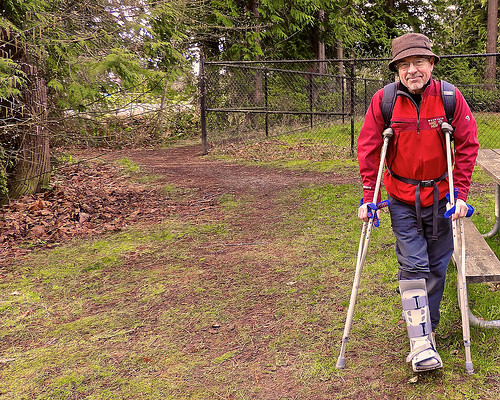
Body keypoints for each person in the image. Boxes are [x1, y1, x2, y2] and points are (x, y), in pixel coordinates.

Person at [357, 33, 479, 372]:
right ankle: (420, 341)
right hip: (401, 198)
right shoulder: (384, 101)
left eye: (419, 62)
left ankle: (428, 329)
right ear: (397, 69)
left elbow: (467, 145)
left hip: (441, 197)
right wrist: (369, 197)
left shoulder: (450, 98)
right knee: (413, 264)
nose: (412, 70)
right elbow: (369, 148)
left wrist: (460, 194)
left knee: (437, 266)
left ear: (431, 64)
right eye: (404, 65)